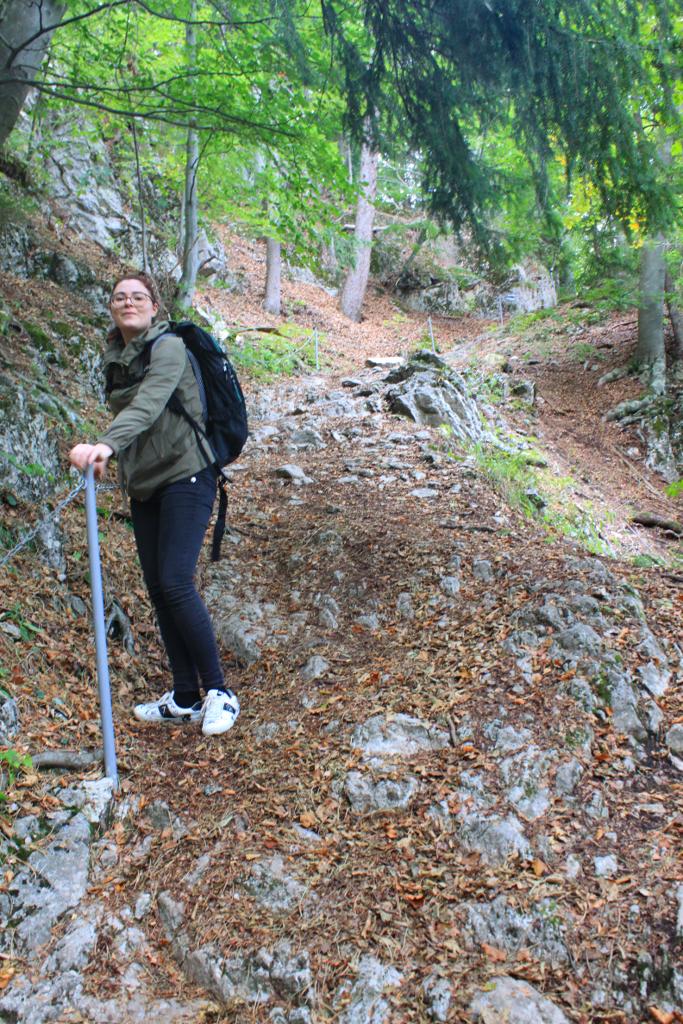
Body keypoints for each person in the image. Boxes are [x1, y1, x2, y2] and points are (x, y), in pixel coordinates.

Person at [69, 273, 239, 737]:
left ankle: (220, 692)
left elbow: (148, 404)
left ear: (153, 306)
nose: (129, 302)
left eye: (138, 296)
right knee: (160, 590)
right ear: (111, 308)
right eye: (120, 297)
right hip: (145, 486)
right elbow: (138, 422)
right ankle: (185, 696)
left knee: (177, 582)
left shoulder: (168, 347)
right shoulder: (116, 357)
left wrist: (104, 445)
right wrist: (114, 456)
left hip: (187, 474)